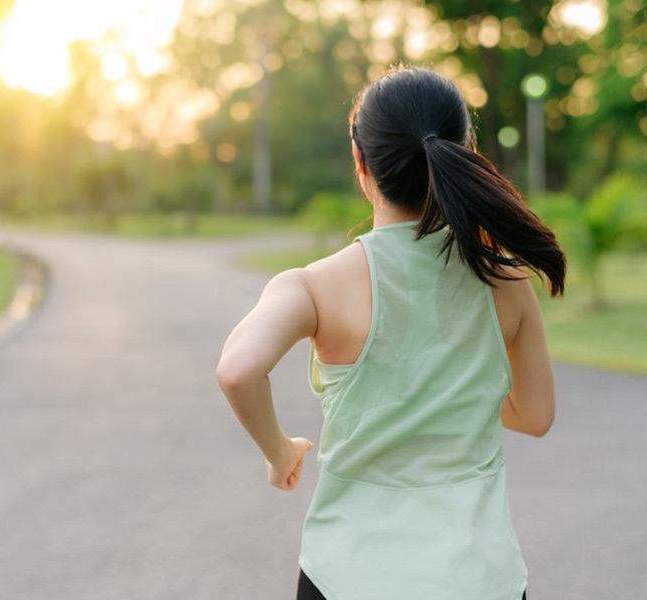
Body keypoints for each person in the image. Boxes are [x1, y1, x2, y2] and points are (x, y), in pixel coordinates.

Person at [215, 63, 565, 600]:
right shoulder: (506, 280)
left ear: (360, 162)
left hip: (347, 578)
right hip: (481, 579)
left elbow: (239, 370)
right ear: (464, 153)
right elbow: (536, 416)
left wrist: (280, 453)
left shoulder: (315, 285)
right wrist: (450, 390)